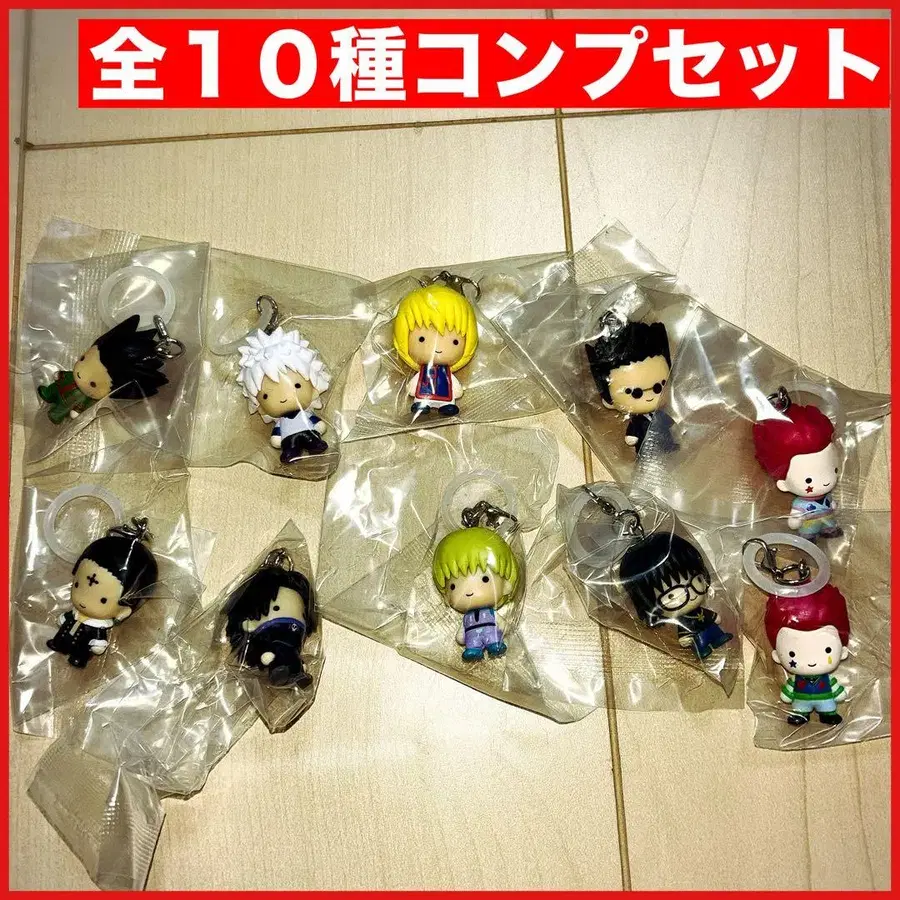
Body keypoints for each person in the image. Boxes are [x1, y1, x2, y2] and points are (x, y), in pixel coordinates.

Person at [46, 519, 158, 668]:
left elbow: (98, 640)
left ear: (124, 610)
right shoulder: (75, 613)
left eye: (103, 600)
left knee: (81, 650)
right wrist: (62, 618)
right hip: (64, 637)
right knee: (62, 638)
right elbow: (66, 617)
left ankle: (79, 657)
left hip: (82, 646)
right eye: (78, 585)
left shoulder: (98, 626)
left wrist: (98, 645)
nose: (84, 601)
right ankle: (58, 644)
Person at [618, 531, 732, 660]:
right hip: (699, 636)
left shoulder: (698, 610)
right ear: (648, 603)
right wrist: (685, 639)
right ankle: (702, 649)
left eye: (696, 581)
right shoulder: (682, 620)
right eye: (671, 595)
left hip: (710, 628)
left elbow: (710, 615)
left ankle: (719, 638)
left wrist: (715, 617)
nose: (689, 595)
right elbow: (683, 633)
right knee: (701, 641)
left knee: (715, 631)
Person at [38, 315, 169, 424]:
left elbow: (82, 405)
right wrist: (60, 375)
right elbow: (64, 375)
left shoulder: (87, 397)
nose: (80, 375)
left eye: (93, 384)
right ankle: (48, 393)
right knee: (53, 389)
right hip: (59, 388)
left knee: (62, 409)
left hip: (68, 403)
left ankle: (56, 414)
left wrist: (77, 410)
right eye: (83, 359)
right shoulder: (72, 377)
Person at [237, 326, 331, 465]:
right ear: (259, 406)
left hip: (308, 432)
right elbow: (276, 438)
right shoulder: (280, 421)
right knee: (290, 447)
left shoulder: (305, 414)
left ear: (314, 387)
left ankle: (315, 444)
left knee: (312, 440)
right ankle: (291, 452)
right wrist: (276, 438)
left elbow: (318, 424)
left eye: (297, 385)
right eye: (266, 396)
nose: (283, 398)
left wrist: (318, 425)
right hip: (288, 440)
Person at [753, 402, 842, 541]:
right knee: (808, 536)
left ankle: (830, 531)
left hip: (828, 520)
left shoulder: (827, 496)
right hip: (809, 526)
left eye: (834, 470)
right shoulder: (800, 504)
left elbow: (831, 503)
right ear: (783, 484)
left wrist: (832, 505)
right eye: (808, 480)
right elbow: (795, 518)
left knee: (830, 526)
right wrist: (795, 519)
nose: (826, 481)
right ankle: (808, 539)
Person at [764, 584, 850, 726]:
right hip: (801, 701)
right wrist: (786, 694)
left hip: (825, 700)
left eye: (827, 650)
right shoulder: (796, 679)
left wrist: (838, 693)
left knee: (827, 706)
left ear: (843, 652)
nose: (811, 661)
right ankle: (800, 714)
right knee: (800, 707)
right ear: (777, 656)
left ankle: (828, 714)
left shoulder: (826, 679)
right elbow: (788, 691)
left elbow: (836, 688)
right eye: (792, 653)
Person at [585, 317, 674, 453]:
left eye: (658, 387)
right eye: (636, 393)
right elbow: (632, 436)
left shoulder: (659, 415)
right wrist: (632, 436)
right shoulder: (638, 421)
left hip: (666, 443)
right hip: (646, 450)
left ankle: (669, 447)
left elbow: (669, 423)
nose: (649, 396)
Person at [432, 525, 518, 662]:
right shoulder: (468, 618)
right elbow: (461, 635)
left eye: (485, 579)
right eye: (453, 586)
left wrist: (504, 627)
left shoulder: (491, 613)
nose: (469, 591)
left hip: (492, 635)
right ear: (446, 595)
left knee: (493, 639)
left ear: (506, 585)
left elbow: (502, 624)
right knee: (472, 644)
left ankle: (495, 645)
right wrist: (461, 637)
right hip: (472, 639)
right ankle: (473, 650)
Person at [392, 283, 478, 418]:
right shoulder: (423, 371)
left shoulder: (447, 373)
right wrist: (412, 388)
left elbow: (456, 388)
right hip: (423, 394)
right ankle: (422, 403)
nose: (437, 348)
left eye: (455, 342)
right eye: (421, 339)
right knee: (421, 395)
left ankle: (447, 405)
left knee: (447, 398)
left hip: (445, 395)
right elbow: (413, 387)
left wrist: (456, 391)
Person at [224, 561, 316, 687]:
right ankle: (286, 671)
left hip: (289, 649)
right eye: (276, 608)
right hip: (272, 651)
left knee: (289, 655)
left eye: (302, 614)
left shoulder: (296, 638)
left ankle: (296, 672)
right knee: (278, 655)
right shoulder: (263, 637)